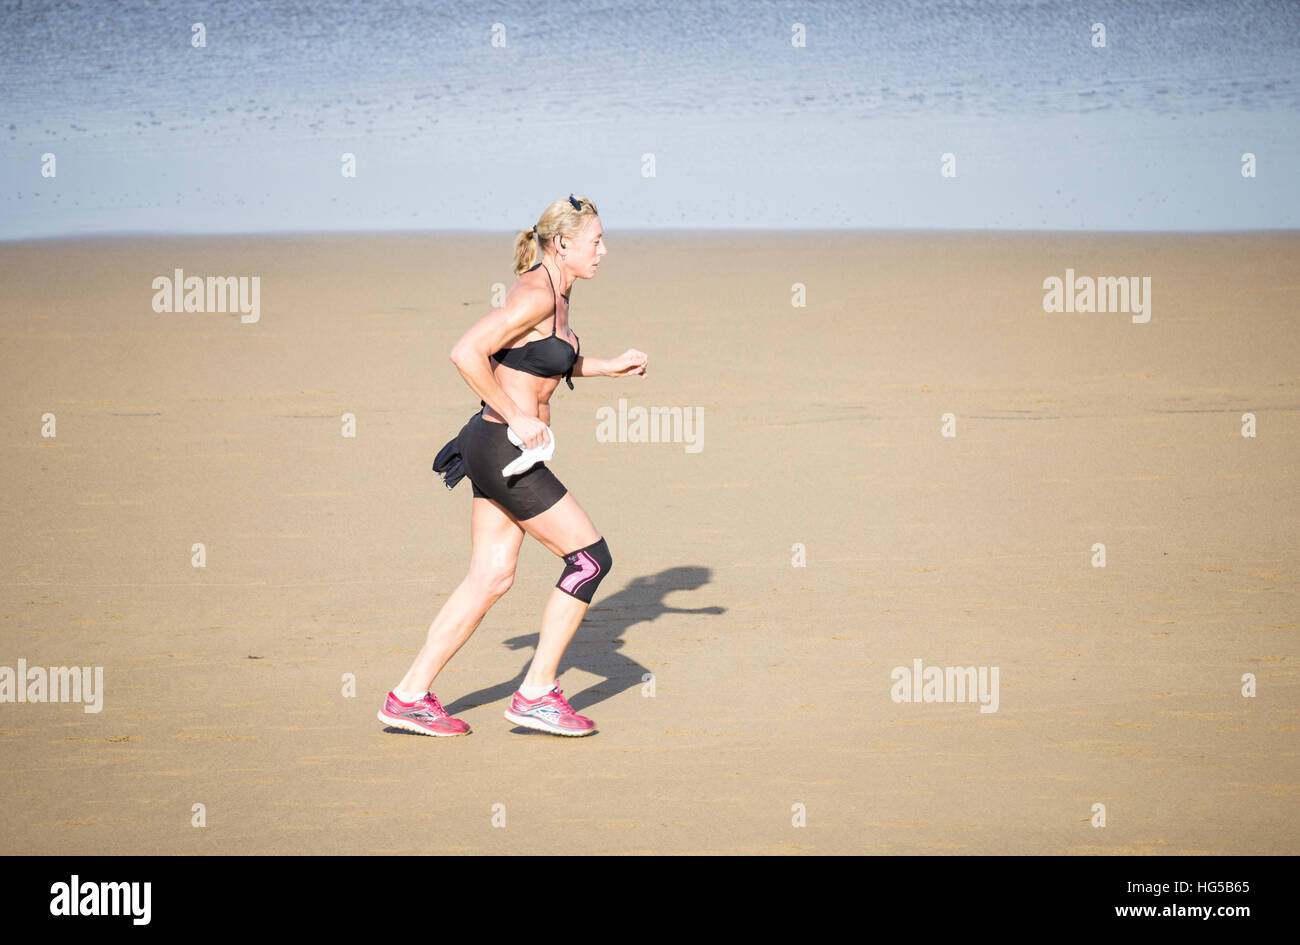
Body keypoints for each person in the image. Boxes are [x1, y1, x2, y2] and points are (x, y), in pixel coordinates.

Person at [378, 194, 648, 737]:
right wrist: (516, 418)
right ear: (563, 243)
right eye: (596, 242)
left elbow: (539, 358)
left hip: (495, 444)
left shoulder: (558, 293)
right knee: (590, 559)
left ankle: (408, 696)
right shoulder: (535, 295)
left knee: (490, 576)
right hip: (504, 445)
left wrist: (607, 367)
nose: (603, 251)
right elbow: (466, 352)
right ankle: (537, 694)